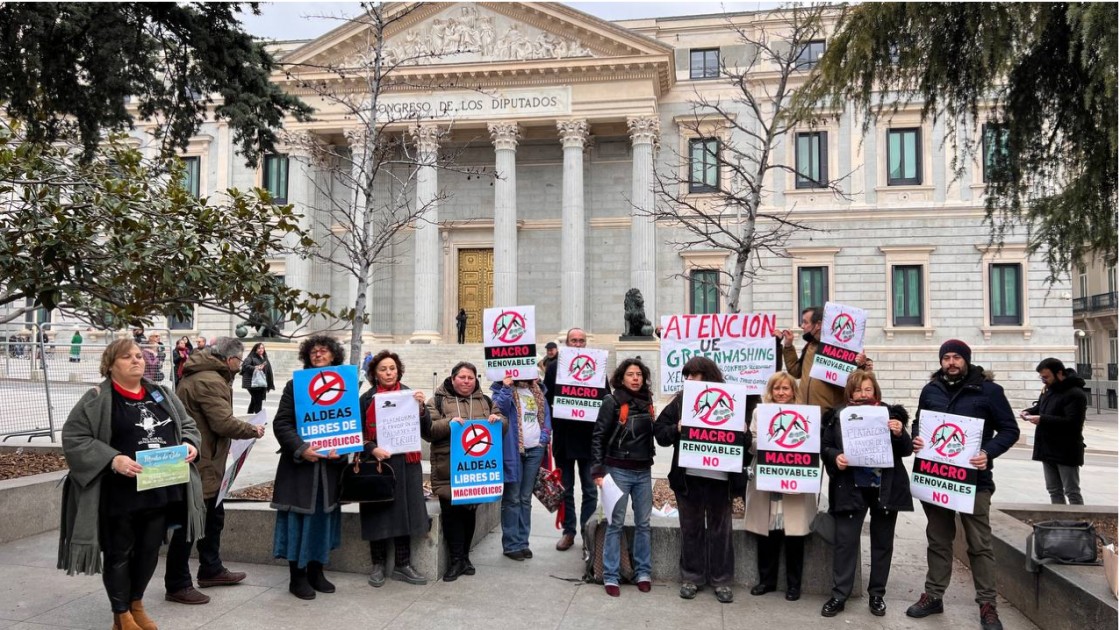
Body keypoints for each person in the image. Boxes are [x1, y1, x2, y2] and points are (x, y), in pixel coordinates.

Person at [58, 338, 203, 630]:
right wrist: (113, 459)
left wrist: (190, 444)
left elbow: (187, 425)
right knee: (119, 552)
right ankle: (121, 613)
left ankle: (136, 604)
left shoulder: (161, 394)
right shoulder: (96, 397)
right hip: (119, 493)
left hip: (160, 488)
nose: (137, 360)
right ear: (111, 365)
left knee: (150, 551)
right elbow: (74, 438)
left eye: (139, 355)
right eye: (127, 357)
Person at [906, 340, 1020, 630]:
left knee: (979, 545)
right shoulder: (930, 389)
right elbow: (920, 422)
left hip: (975, 481)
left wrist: (987, 453)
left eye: (957, 357)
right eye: (946, 357)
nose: (951, 362)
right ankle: (933, 595)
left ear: (966, 360)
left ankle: (987, 604)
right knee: (938, 539)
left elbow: (1010, 429)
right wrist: (917, 436)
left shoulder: (989, 391)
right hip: (936, 478)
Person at [164, 337, 264, 605]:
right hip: (200, 462)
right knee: (190, 524)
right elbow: (222, 423)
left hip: (208, 461)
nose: (240, 366)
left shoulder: (206, 375)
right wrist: (253, 429)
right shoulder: (209, 380)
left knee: (213, 517)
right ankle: (177, 583)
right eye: (240, 361)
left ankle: (211, 569)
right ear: (230, 360)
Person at [820, 370, 913, 618]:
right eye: (859, 389)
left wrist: (899, 432)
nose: (863, 394)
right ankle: (840, 595)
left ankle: (877, 595)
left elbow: (906, 450)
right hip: (850, 488)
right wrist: (834, 457)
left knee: (882, 543)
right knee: (845, 542)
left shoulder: (891, 415)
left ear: (876, 391)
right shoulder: (837, 416)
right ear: (850, 392)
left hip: (885, 487)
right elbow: (825, 446)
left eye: (868, 389)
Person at [655, 356, 748, 603]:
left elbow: (746, 447)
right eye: (685, 376)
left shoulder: (733, 400)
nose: (688, 380)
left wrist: (745, 432)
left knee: (721, 531)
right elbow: (660, 433)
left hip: (721, 480)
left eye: (693, 375)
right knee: (691, 529)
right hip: (689, 480)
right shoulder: (681, 402)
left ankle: (722, 581)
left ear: (707, 376)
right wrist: (676, 428)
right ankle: (691, 578)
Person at [270, 335, 348, 600]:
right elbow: (281, 423)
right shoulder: (295, 386)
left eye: (324, 351)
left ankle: (317, 571)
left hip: (330, 468)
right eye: (313, 351)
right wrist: (302, 448)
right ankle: (297, 577)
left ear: (334, 355)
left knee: (322, 521)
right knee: (298, 522)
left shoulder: (345, 386)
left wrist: (344, 447)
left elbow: (348, 424)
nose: (318, 354)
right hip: (301, 468)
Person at [424, 361, 504, 582]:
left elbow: (502, 426)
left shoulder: (485, 401)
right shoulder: (437, 401)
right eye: (462, 377)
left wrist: (498, 421)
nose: (467, 381)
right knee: (451, 515)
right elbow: (429, 430)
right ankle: (455, 560)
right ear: (452, 379)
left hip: (473, 470)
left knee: (469, 513)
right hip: (448, 467)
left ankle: (464, 558)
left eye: (471, 377)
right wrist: (449, 423)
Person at [357, 350, 431, 588]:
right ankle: (377, 564)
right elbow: (356, 434)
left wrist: (421, 409)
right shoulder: (366, 399)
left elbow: (427, 430)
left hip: (405, 464)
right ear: (375, 374)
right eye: (383, 369)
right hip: (377, 463)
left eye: (392, 368)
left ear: (398, 370)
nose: (388, 373)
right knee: (377, 512)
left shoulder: (411, 395)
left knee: (404, 513)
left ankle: (403, 564)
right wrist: (371, 448)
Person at [744, 371, 814, 602]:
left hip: (794, 477)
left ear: (793, 391)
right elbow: (752, 445)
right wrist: (756, 439)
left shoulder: (806, 414)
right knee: (768, 533)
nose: (781, 393)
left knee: (794, 535)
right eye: (777, 388)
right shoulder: (759, 412)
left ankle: (794, 585)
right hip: (767, 477)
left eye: (786, 388)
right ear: (770, 391)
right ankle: (766, 581)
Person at [592, 357, 656, 597]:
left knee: (644, 524)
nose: (636, 378)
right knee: (614, 524)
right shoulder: (611, 401)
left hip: (643, 470)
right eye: (631, 374)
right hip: (617, 469)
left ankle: (643, 572)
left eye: (639, 374)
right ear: (621, 378)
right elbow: (598, 436)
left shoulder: (647, 400)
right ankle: (610, 575)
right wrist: (598, 471)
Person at [543, 327, 597, 551]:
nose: (577, 344)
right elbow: (546, 400)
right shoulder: (554, 367)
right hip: (564, 437)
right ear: (567, 343)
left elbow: (605, 398)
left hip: (589, 438)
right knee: (565, 487)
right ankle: (569, 531)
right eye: (573, 340)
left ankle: (588, 532)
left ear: (585, 344)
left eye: (581, 341)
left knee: (590, 489)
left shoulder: (596, 367)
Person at [492, 373, 551, 560]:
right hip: (513, 450)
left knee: (525, 498)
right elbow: (498, 409)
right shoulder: (500, 388)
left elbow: (545, 417)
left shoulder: (537, 389)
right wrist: (507, 387)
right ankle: (511, 544)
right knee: (512, 498)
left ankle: (523, 542)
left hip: (535, 450)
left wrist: (543, 439)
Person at [781, 306, 872, 414]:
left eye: (805, 322)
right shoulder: (810, 346)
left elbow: (855, 382)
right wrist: (788, 345)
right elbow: (795, 371)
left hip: (828, 417)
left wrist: (861, 365)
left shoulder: (845, 349)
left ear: (818, 325)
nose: (802, 326)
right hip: (804, 414)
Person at [1022, 358, 1087, 505]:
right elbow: (1041, 407)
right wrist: (1028, 412)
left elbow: (1073, 423)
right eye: (1041, 377)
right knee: (1053, 490)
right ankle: (1059, 522)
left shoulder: (1075, 393)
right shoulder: (1049, 389)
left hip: (1066, 449)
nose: (1043, 381)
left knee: (1072, 491)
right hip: (1047, 447)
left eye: (1046, 377)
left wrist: (1042, 419)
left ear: (1059, 373)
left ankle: (1078, 524)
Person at [240, 343, 275, 414]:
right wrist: (255, 367)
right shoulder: (250, 358)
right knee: (258, 401)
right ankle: (259, 419)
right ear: (255, 349)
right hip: (252, 383)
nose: (261, 350)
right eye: (259, 348)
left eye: (262, 348)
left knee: (254, 401)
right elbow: (245, 366)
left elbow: (268, 371)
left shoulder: (264, 358)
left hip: (260, 382)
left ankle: (249, 416)